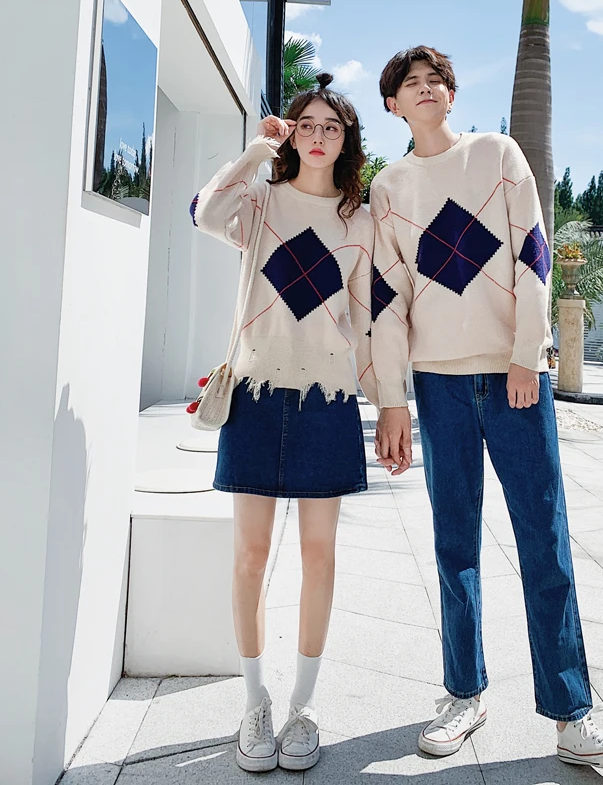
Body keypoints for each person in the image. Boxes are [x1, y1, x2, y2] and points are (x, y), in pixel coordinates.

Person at [368, 47, 603, 770]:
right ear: (392, 105)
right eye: (409, 83)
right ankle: (463, 695)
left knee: (543, 540)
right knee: (454, 544)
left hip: (516, 379)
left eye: (436, 79)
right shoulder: (388, 187)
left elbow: (533, 255)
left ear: (452, 95)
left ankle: (572, 714)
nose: (425, 88)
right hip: (439, 385)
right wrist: (393, 399)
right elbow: (387, 301)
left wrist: (529, 353)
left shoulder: (497, 153)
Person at [191, 73, 377, 773]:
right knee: (250, 555)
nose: (319, 136)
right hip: (256, 394)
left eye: (332, 126)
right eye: (307, 125)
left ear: (347, 140)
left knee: (319, 555)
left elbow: (371, 316)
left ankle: (302, 707)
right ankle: (255, 704)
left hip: (328, 400)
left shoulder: (361, 220)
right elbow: (205, 213)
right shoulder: (261, 200)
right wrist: (254, 151)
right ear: (290, 134)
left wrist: (389, 400)